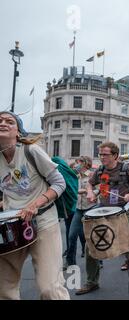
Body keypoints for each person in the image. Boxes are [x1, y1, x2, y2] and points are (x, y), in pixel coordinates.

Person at [0, 111, 70, 300]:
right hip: (10, 226)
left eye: (9, 121)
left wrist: (34, 204)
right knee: (3, 288)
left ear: (18, 132)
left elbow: (59, 183)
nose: (3, 123)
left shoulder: (30, 151)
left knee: (50, 288)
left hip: (43, 221)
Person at [76, 142, 129, 295]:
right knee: (91, 245)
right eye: (100, 154)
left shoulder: (126, 168)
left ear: (115, 155)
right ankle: (92, 282)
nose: (101, 157)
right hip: (104, 211)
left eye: (105, 154)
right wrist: (90, 192)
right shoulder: (99, 170)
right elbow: (89, 183)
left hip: (124, 212)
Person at [65, 156, 94, 269]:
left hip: (90, 208)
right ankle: (70, 262)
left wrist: (89, 192)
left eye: (79, 162)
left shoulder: (92, 175)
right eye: (76, 162)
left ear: (85, 164)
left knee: (90, 236)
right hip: (78, 209)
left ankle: (98, 260)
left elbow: (98, 189)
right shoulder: (75, 176)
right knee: (71, 235)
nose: (76, 164)